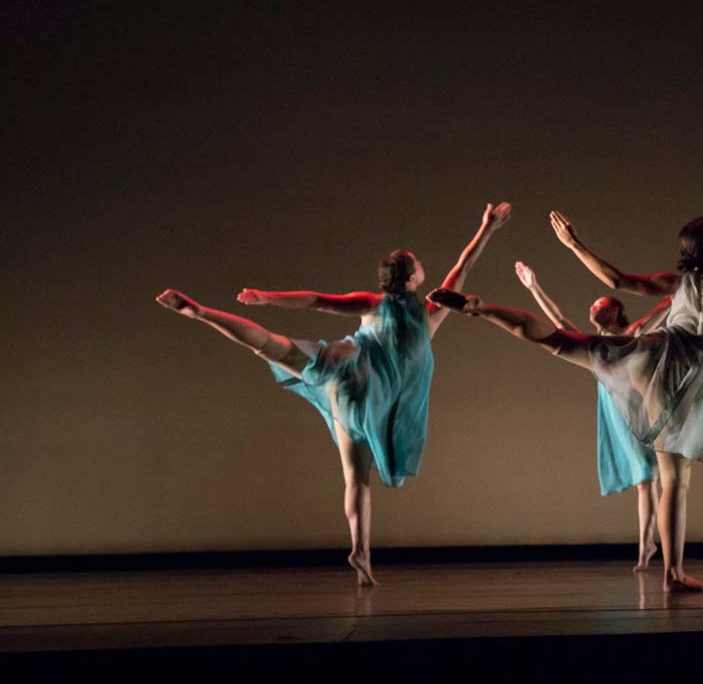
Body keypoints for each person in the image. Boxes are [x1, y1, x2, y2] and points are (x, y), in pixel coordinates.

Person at [430, 133, 703, 591]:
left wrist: (574, 244)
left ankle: (479, 308)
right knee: (676, 486)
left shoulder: (678, 282)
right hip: (683, 379)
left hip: (653, 365)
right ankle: (672, 574)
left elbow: (615, 277)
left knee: (562, 342)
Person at [155, 202, 513, 586]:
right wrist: (487, 229)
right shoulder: (430, 311)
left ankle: (203, 313)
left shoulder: (373, 303)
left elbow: (318, 300)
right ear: (412, 280)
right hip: (372, 400)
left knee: (274, 347)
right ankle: (360, 552)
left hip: (346, 383)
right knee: (358, 478)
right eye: (417, 264)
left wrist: (266, 297)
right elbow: (463, 266)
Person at [513, 258, 703, 571]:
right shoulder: (596, 348)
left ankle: (647, 547)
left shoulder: (632, 336)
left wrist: (685, 293)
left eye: (602, 301)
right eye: (593, 303)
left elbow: (658, 312)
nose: (595, 305)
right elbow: (558, 324)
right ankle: (648, 546)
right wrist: (533, 287)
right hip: (617, 415)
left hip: (647, 407)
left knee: (686, 433)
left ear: (615, 311)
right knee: (645, 478)